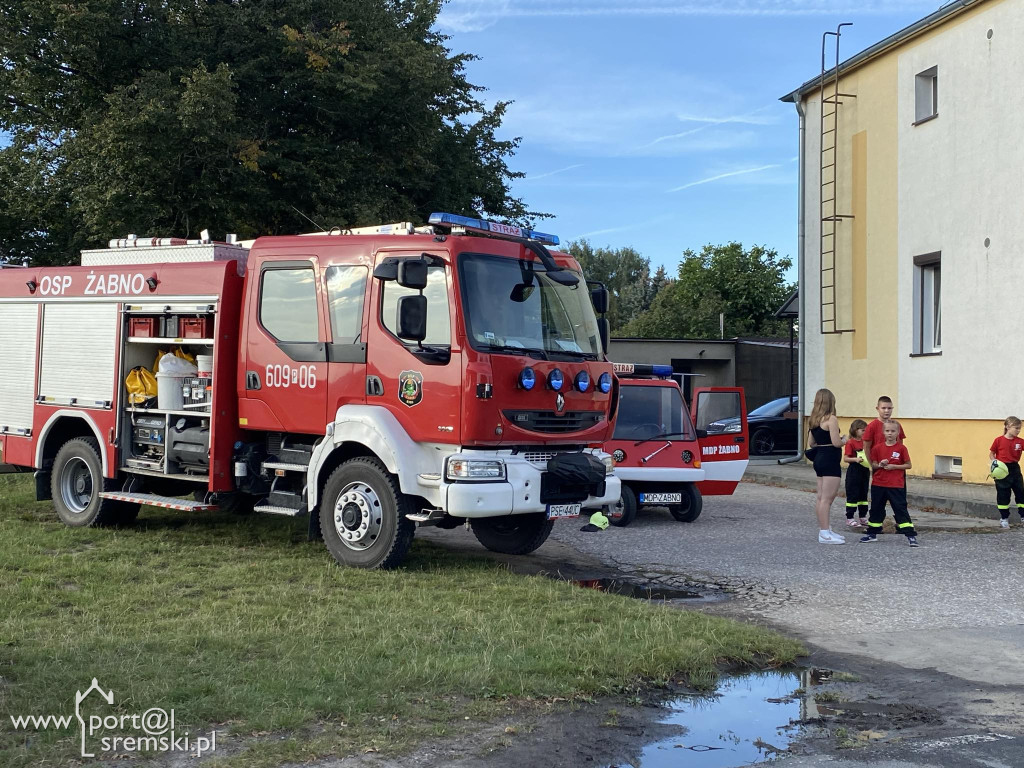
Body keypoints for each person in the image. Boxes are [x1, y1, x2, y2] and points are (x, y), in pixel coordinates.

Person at [860, 421, 917, 546]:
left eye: (893, 431)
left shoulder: (901, 448)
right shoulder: (877, 448)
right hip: (879, 484)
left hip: (895, 485)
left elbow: (908, 465)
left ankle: (910, 535)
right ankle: (872, 533)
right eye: (887, 431)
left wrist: (894, 467)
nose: (890, 433)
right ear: (883, 432)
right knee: (876, 509)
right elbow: (874, 464)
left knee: (900, 509)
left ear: (898, 433)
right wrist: (880, 465)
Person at [807, 388, 847, 544]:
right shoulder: (831, 419)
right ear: (831, 402)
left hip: (819, 459)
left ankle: (825, 529)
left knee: (820, 497)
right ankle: (824, 533)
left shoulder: (813, 420)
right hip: (830, 459)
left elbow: (811, 443)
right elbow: (836, 443)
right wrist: (845, 439)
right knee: (827, 499)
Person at [988, 416, 1024, 529]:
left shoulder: (1020, 441)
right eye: (1016, 428)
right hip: (1002, 470)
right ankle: (1004, 519)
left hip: (1015, 469)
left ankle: (1023, 516)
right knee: (1003, 495)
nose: (1018, 430)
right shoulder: (998, 440)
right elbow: (991, 453)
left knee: (1021, 494)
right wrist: (994, 462)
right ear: (1008, 427)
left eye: (1020, 428)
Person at [843, 419, 870, 527]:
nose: (864, 432)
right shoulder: (851, 442)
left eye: (866, 430)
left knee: (863, 494)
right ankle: (850, 517)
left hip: (865, 470)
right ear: (855, 430)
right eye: (862, 430)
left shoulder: (866, 442)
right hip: (854, 470)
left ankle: (863, 516)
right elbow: (845, 458)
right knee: (853, 494)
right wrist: (855, 459)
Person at [861, 395, 905, 461]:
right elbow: (866, 448)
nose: (886, 411)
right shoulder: (871, 426)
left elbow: (900, 445)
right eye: (883, 408)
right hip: (878, 464)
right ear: (877, 408)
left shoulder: (896, 425)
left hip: (894, 464)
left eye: (889, 408)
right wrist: (870, 465)